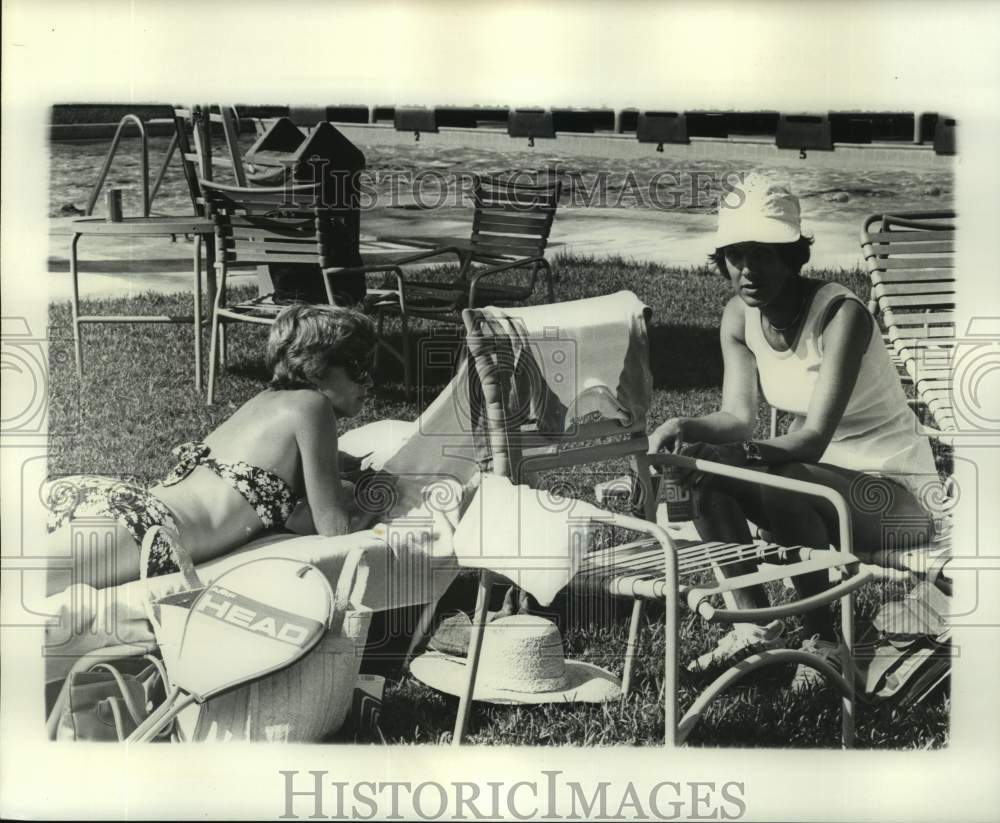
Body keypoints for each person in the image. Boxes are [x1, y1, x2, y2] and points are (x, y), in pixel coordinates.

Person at [647, 173, 940, 690]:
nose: (748, 268)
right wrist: (686, 425)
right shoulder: (738, 317)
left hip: (893, 492)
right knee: (707, 480)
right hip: (813, 476)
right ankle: (756, 627)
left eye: (763, 252)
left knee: (784, 480)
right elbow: (738, 417)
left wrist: (737, 454)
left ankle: (823, 638)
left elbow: (813, 438)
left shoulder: (840, 315)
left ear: (793, 255)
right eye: (736, 254)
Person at [45, 304, 378, 593]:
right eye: (358, 369)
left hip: (115, 503)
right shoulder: (312, 407)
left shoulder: (261, 405)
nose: (370, 382)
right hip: (148, 528)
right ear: (316, 366)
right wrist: (382, 489)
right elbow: (337, 530)